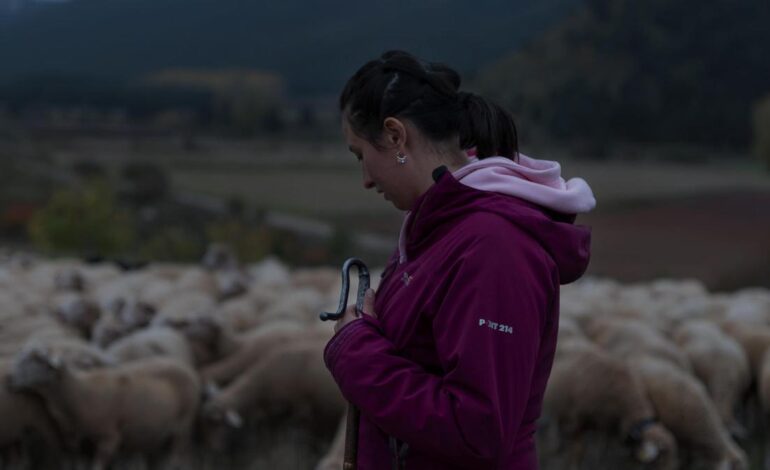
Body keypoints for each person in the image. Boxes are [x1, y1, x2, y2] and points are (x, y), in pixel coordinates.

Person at [323, 50, 596, 470]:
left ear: (395, 137)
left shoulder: (494, 249)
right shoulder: (436, 230)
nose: (365, 179)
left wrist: (355, 349)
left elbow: (477, 431)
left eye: (361, 155)